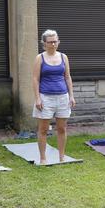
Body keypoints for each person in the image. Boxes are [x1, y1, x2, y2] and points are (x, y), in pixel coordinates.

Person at [32, 29, 75, 165]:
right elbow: (35, 79)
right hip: (45, 97)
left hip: (63, 97)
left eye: (55, 41)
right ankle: (43, 158)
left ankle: (62, 156)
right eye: (50, 42)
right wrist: (37, 98)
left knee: (62, 128)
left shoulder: (63, 57)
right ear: (44, 43)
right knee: (43, 129)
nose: (53, 44)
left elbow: (67, 77)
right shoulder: (40, 58)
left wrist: (71, 96)